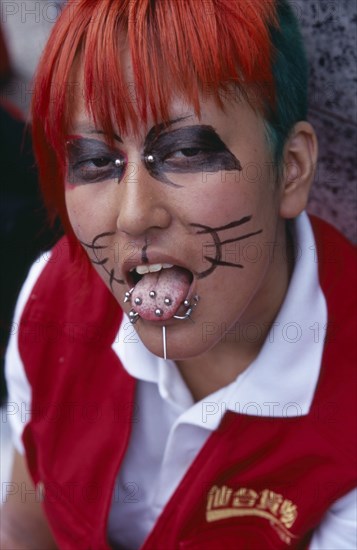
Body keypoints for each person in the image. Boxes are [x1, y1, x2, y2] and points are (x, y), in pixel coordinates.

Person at [1, 0, 356, 548]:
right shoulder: (54, 305)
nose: (134, 214)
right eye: (96, 161)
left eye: (186, 151)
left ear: (290, 170)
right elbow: (26, 525)